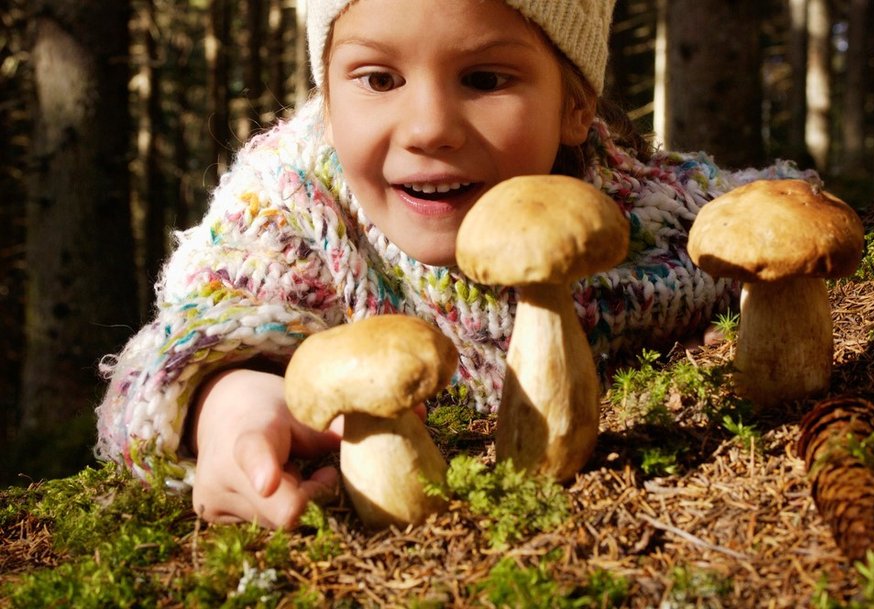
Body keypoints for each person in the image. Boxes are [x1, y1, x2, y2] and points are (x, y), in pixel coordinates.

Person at [96, 0, 812, 529]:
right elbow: (183, 341)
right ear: (326, 93)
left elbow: (772, 213)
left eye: (484, 77)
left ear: (574, 106)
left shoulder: (641, 209)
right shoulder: (290, 202)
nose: (429, 127)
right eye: (377, 79)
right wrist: (230, 402)